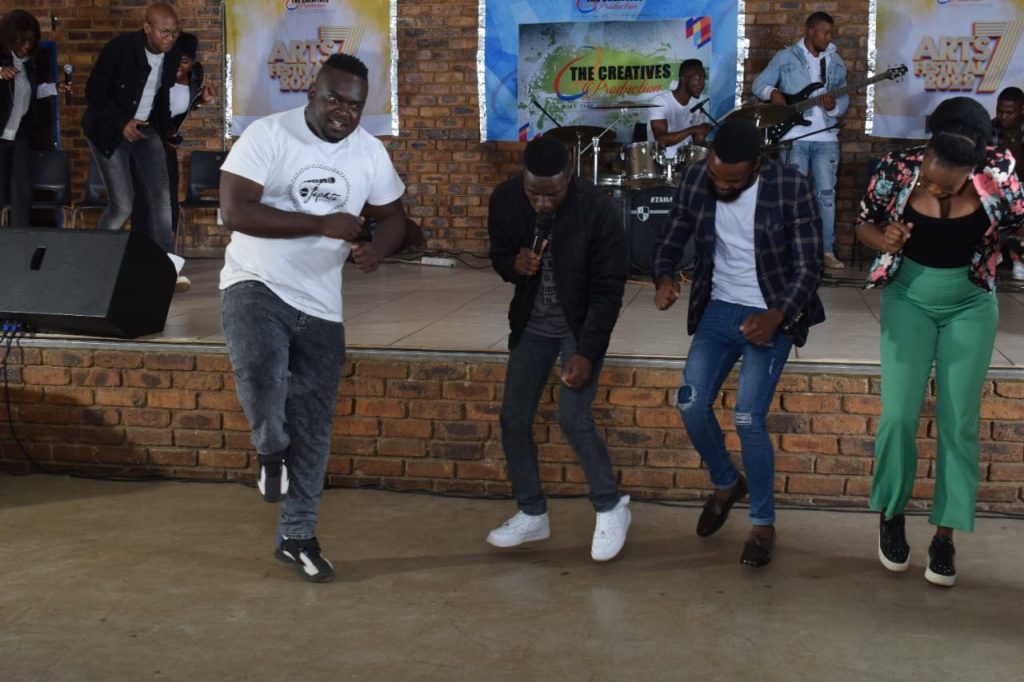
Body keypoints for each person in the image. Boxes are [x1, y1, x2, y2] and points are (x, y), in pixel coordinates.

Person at [219, 53, 406, 583]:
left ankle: (297, 534)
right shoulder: (267, 136)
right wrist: (319, 224)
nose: (344, 112)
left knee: (315, 427)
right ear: (311, 92)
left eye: (355, 104)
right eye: (334, 99)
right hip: (255, 285)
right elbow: (235, 210)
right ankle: (270, 449)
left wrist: (378, 250)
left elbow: (395, 217)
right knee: (260, 377)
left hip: (322, 306)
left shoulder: (369, 153)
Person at [855, 96, 1024, 588]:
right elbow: (864, 223)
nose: (930, 185)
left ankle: (945, 534)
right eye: (927, 176)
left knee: (958, 422)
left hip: (971, 301)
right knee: (899, 415)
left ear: (973, 166)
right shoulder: (897, 166)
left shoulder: (1000, 173)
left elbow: (1016, 226)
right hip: (909, 295)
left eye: (942, 183)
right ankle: (890, 513)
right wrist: (881, 237)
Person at [653, 117, 824, 568]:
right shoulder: (696, 178)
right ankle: (728, 482)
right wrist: (665, 276)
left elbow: (809, 267)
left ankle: (762, 525)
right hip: (718, 307)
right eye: (715, 175)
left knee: (748, 417)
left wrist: (776, 315)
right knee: (690, 402)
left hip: (772, 309)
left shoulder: (791, 187)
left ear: (756, 166)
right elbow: (672, 233)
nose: (721, 184)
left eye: (732, 179)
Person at [486, 136, 631, 562]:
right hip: (532, 324)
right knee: (513, 418)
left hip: (579, 327)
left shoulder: (596, 208)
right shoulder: (507, 200)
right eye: (534, 193)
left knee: (573, 415)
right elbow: (497, 255)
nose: (542, 203)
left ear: (569, 177)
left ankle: (611, 507)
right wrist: (514, 265)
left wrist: (586, 352)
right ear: (523, 180)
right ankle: (532, 513)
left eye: (552, 194)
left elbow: (608, 291)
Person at [82, 2, 188, 289]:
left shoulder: (173, 53)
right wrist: (121, 123)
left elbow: (162, 96)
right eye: (165, 32)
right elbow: (92, 91)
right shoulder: (120, 49)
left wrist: (167, 131)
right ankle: (93, 262)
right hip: (109, 130)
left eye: (175, 32)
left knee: (162, 199)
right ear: (147, 28)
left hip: (144, 128)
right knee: (122, 205)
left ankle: (168, 267)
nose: (171, 38)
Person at [752, 11, 847, 271]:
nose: (829, 37)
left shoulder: (836, 62)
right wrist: (773, 93)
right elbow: (758, 84)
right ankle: (788, 251)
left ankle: (825, 251)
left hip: (827, 138)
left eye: (831, 33)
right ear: (810, 31)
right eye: (825, 32)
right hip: (794, 138)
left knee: (825, 196)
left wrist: (831, 107)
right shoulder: (785, 57)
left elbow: (844, 100)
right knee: (790, 196)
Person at [130, 30, 216, 278]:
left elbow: (178, 110)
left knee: (169, 200)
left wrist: (200, 101)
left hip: (166, 146)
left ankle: (165, 261)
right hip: (144, 142)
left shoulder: (195, 77)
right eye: (175, 60)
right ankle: (139, 261)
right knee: (145, 200)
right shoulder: (157, 74)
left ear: (193, 63)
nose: (179, 67)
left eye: (185, 62)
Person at [0, 9, 71, 227]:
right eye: (22, 41)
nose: (27, 46)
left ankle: (20, 240)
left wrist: (54, 88)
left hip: (17, 132)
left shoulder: (28, 64)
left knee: (22, 189)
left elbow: (29, 92)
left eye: (31, 41)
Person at [990, 87, 1024, 279]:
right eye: (1000, 111)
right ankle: (1000, 256)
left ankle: (1018, 257)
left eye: (1009, 112)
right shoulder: (989, 129)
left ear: (1022, 110)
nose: (1003, 116)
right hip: (998, 187)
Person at [648, 59, 712, 160]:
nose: (702, 84)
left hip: (686, 162)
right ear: (683, 79)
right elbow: (661, 141)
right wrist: (693, 129)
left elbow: (697, 142)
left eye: (704, 79)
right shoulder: (661, 101)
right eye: (698, 78)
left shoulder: (697, 107)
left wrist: (702, 135)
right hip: (661, 162)